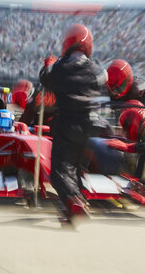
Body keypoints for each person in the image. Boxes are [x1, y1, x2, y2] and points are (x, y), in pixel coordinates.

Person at [39, 24, 109, 224]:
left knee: (60, 170)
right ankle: (72, 207)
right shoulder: (96, 69)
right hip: (90, 123)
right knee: (78, 168)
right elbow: (104, 79)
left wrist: (49, 64)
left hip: (66, 121)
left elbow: (44, 78)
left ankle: (73, 200)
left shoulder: (59, 68)